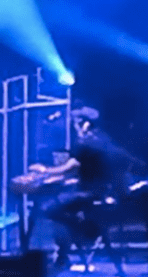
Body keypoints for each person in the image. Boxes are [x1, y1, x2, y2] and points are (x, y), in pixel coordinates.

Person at [27, 107, 131, 272]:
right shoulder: (101, 138)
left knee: (49, 209)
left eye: (77, 123)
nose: (74, 127)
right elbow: (88, 168)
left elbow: (71, 166)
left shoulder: (87, 142)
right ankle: (64, 253)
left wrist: (44, 170)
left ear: (86, 124)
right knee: (62, 206)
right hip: (102, 190)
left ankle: (82, 228)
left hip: (90, 194)